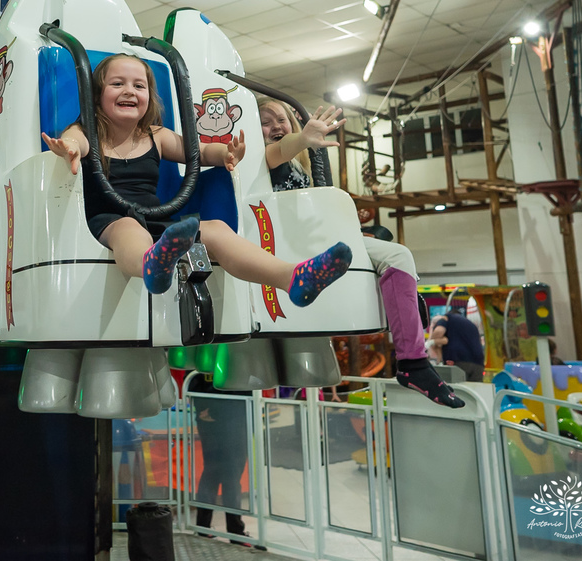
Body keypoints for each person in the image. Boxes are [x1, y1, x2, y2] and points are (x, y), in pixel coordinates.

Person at [41, 54, 352, 307]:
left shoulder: (156, 136)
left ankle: (291, 277)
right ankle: (151, 266)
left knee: (216, 229)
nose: (129, 91)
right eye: (117, 84)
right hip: (108, 219)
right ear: (97, 95)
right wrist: (69, 148)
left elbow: (199, 152)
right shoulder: (87, 132)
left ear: (149, 97)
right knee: (128, 229)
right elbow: (74, 142)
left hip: (154, 218)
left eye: (139, 86)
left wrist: (226, 153)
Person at [258, 98, 464, 408]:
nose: (275, 126)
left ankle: (413, 361)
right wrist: (302, 139)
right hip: (287, 244)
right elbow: (279, 152)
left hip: (318, 238)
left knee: (398, 256)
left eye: (281, 120)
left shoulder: (301, 166)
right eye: (265, 121)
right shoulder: (263, 161)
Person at [188, 374, 251, 545]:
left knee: (211, 473)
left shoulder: (203, 361)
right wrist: (216, 411)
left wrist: (205, 409)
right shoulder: (233, 359)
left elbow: (192, 382)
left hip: (210, 421)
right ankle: (235, 532)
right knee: (230, 476)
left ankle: (203, 528)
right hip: (232, 421)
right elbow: (244, 387)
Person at [435, 305, 485, 382]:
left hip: (458, 361)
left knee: (456, 388)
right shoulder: (471, 324)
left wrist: (430, 340)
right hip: (479, 364)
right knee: (475, 389)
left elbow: (439, 332)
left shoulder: (447, 317)